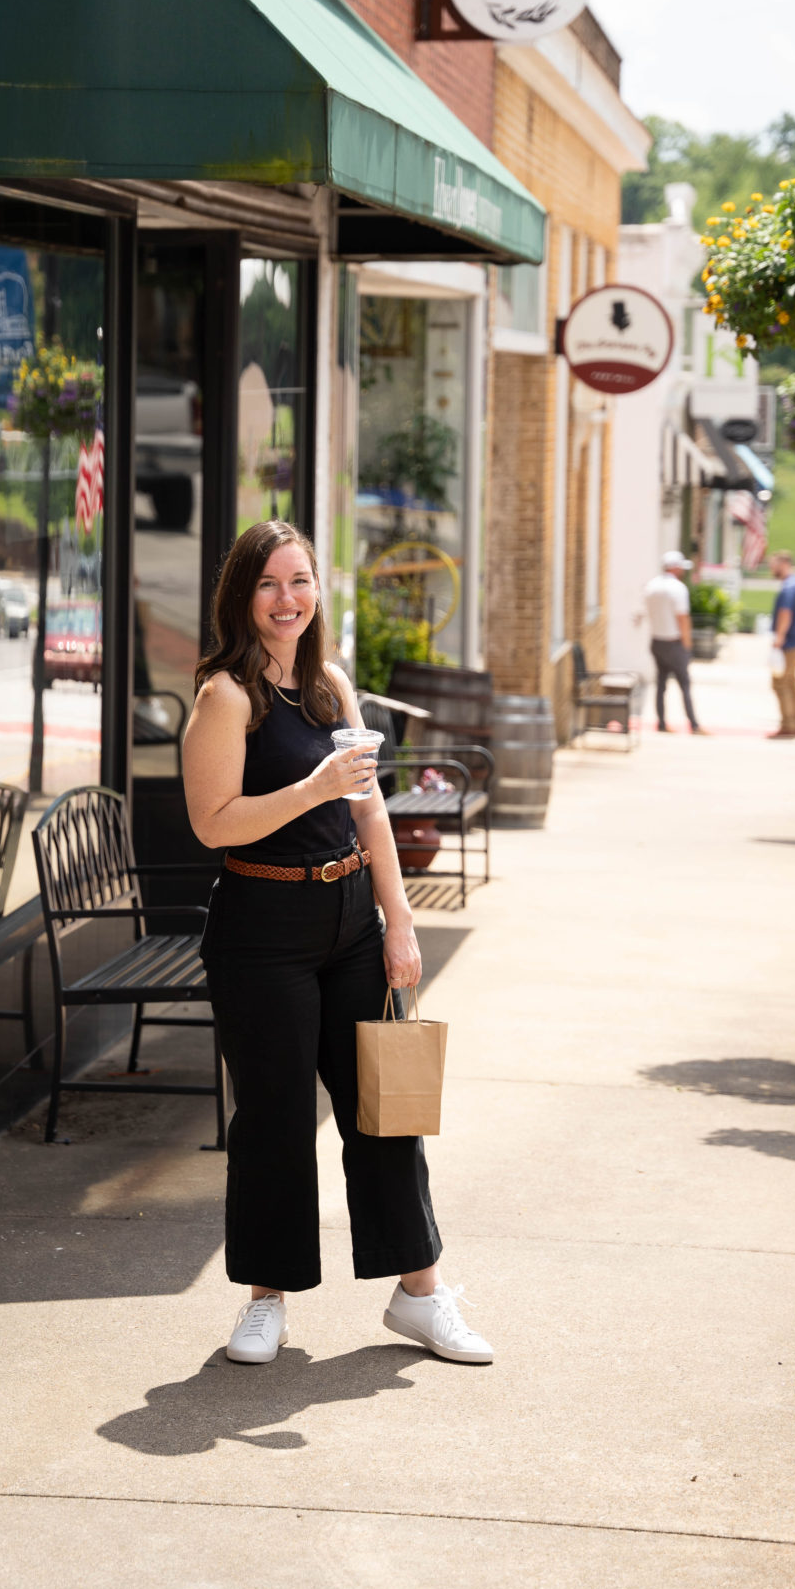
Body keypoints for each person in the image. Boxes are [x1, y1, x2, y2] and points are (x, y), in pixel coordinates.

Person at [182, 520, 492, 1369]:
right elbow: (212, 823)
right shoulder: (226, 697)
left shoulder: (328, 683)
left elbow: (369, 810)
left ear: (318, 589)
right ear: (241, 596)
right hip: (261, 930)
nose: (287, 600)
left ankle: (420, 1296)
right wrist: (311, 783)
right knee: (275, 1121)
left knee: (386, 1112)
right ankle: (265, 1302)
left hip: (352, 918)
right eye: (268, 584)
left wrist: (398, 919)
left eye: (300, 581)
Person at [643, 549, 703, 734]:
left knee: (661, 685)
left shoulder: (651, 586)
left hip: (656, 641)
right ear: (675, 568)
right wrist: (687, 643)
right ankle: (693, 724)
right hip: (674, 642)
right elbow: (682, 618)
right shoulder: (678, 588)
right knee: (684, 684)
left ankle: (661, 722)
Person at [768, 549, 795, 739]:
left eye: (773, 564)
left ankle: (788, 724)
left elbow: (785, 613)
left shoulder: (789, 587)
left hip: (788, 643)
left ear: (783, 564)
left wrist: (778, 638)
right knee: (790, 683)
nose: (771, 568)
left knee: (781, 684)